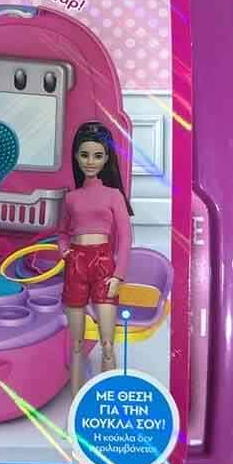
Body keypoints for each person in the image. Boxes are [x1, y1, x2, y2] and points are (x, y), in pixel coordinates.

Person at [57, 121, 134, 392]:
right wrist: (65, 251)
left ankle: (106, 397)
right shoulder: (71, 198)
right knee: (77, 344)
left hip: (103, 265)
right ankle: (77, 400)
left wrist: (118, 275)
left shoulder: (114, 196)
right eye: (85, 155)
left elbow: (125, 237)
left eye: (98, 155)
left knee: (108, 343)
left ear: (106, 159)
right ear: (76, 157)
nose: (90, 162)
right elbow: (62, 231)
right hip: (76, 264)